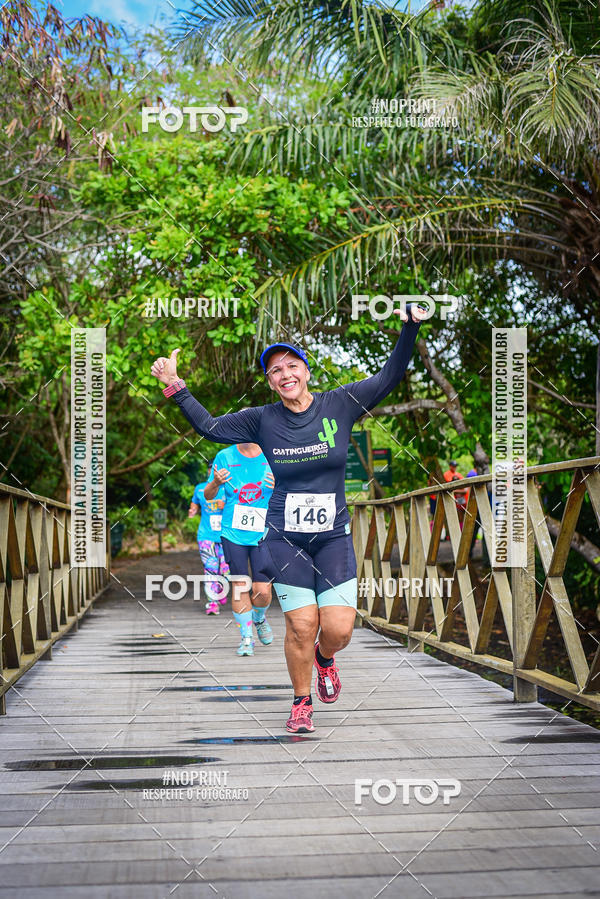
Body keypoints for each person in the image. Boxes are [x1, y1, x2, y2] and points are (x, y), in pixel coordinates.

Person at [151, 303, 426, 733]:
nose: (285, 374)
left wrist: (409, 327)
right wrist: (175, 386)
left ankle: (326, 660)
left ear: (306, 371)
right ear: (270, 382)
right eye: (275, 370)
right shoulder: (262, 420)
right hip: (285, 537)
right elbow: (208, 426)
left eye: (292, 365)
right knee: (301, 625)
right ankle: (301, 703)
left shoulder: (342, 403)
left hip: (333, 536)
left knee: (337, 629)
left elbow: (390, 375)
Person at [204, 444, 275, 656]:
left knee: (263, 591)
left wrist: (280, 485)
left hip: (263, 531)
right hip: (232, 532)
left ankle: (259, 618)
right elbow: (208, 495)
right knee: (239, 584)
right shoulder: (224, 456)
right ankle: (246, 638)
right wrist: (216, 483)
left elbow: (295, 489)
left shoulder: (273, 452)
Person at [188, 474, 229, 615]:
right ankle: (212, 602)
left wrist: (226, 506)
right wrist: (193, 509)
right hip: (206, 535)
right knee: (210, 567)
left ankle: (221, 589)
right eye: (211, 469)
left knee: (226, 569)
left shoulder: (230, 487)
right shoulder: (200, 488)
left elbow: (242, 505)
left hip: (227, 536)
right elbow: (195, 503)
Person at [443, 460, 467, 526]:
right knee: (452, 514)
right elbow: (449, 486)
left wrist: (457, 490)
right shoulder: (446, 474)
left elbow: (464, 487)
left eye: (455, 466)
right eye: (453, 466)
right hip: (452, 497)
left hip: (460, 497)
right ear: (450, 466)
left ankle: (461, 530)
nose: (455, 467)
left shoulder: (458, 474)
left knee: (462, 513)